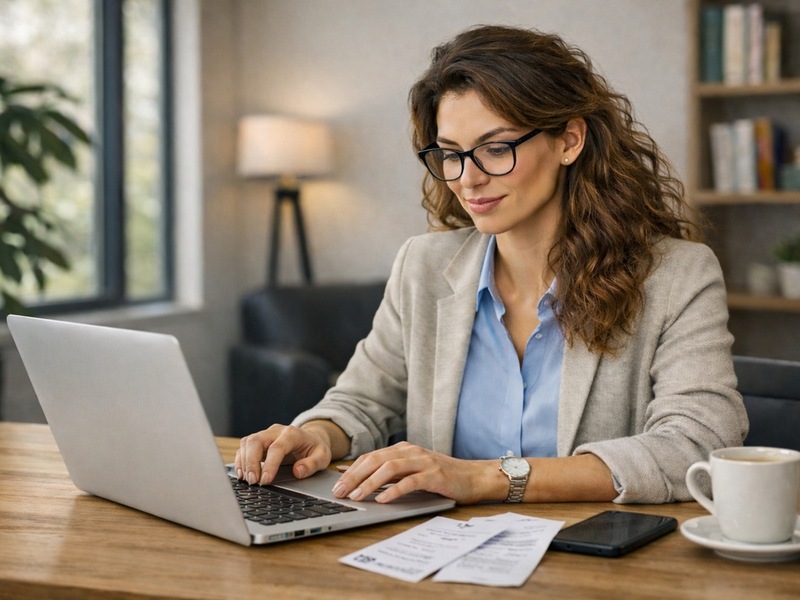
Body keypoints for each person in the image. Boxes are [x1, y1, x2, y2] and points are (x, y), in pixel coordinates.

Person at [235, 24, 748, 505]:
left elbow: (697, 445)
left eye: (496, 148)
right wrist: (313, 434)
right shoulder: (424, 264)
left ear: (570, 140)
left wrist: (484, 478)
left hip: (595, 566)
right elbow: (363, 400)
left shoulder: (677, 275)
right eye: (451, 153)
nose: (467, 179)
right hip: (436, 556)